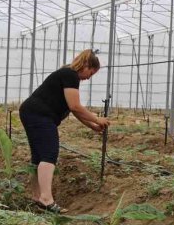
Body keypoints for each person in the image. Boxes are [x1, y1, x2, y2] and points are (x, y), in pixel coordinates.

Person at [19, 49, 110, 213]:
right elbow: (75, 106)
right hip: (40, 115)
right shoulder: (71, 75)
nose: (89, 77)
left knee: (39, 156)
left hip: (32, 112)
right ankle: (46, 199)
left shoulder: (67, 74)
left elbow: (73, 109)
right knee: (49, 154)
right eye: (91, 73)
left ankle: (37, 196)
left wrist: (92, 126)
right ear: (86, 65)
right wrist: (97, 119)